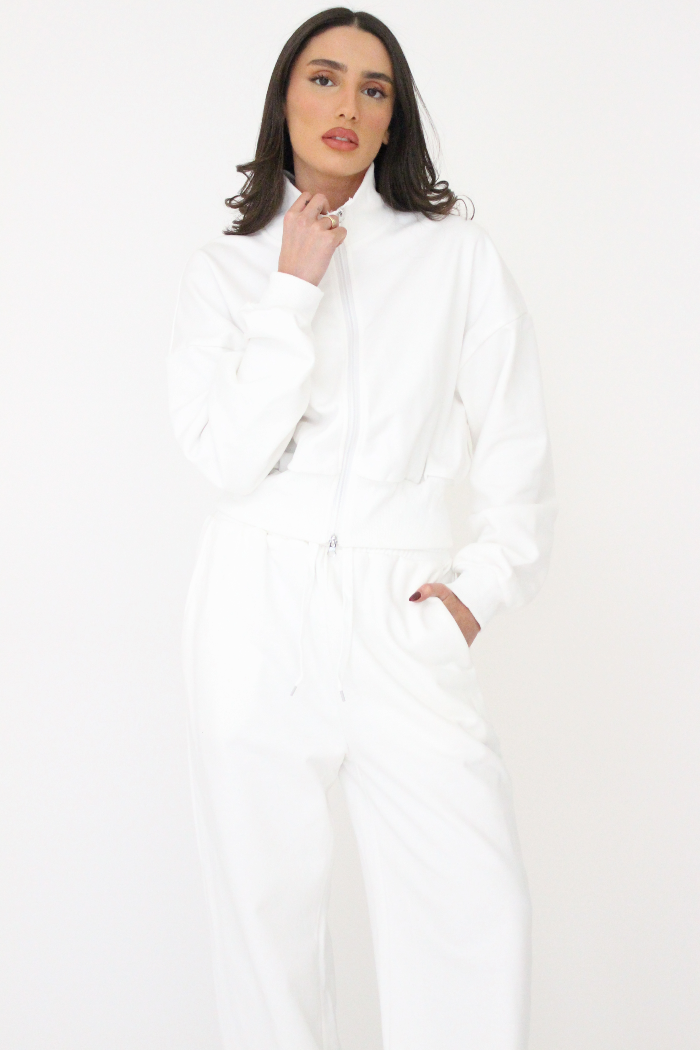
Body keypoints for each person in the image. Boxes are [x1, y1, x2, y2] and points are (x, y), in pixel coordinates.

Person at [167, 8, 557, 1050]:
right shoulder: (227, 268)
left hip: (400, 611)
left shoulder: (455, 257)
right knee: (265, 925)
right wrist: (291, 289)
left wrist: (476, 589)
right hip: (254, 611)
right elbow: (227, 457)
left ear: (393, 118)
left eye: (373, 88)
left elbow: (516, 442)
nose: (346, 103)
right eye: (324, 77)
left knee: (473, 911)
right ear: (284, 99)